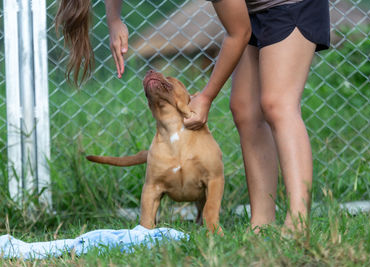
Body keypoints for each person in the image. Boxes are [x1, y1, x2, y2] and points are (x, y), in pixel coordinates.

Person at [56, 0, 330, 232]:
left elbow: (238, 33)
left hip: (290, 4)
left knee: (277, 103)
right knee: (245, 111)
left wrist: (206, 96)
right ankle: (262, 223)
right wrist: (114, 20)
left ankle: (298, 222)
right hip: (252, 10)